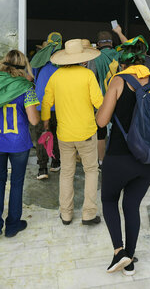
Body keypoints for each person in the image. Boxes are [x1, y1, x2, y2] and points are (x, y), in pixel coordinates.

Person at [96, 36, 150, 275]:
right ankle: (131, 260)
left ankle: (119, 252)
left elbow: (101, 121)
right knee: (132, 205)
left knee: (108, 200)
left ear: (121, 63)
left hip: (120, 158)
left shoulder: (118, 81)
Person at [41, 39, 104, 226]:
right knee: (91, 171)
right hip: (86, 132)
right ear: (82, 59)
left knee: (66, 173)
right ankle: (89, 214)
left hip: (64, 134)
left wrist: (46, 124)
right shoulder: (87, 75)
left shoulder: (55, 77)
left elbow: (46, 102)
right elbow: (99, 102)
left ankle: (66, 214)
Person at [0, 50, 40, 239]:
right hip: (18, 143)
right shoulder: (26, 87)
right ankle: (13, 225)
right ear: (23, 65)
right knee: (16, 182)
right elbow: (33, 120)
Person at [30, 32, 63, 179]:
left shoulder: (39, 61)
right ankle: (55, 163)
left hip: (42, 106)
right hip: (60, 105)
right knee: (57, 134)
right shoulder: (64, 60)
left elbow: (33, 78)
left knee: (43, 135)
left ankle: (42, 169)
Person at [87, 31, 120, 165]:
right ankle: (116, 157)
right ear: (111, 43)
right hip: (119, 97)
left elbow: (91, 78)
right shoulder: (119, 55)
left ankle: (101, 160)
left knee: (101, 129)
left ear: (99, 44)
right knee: (118, 130)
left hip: (102, 100)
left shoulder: (95, 58)